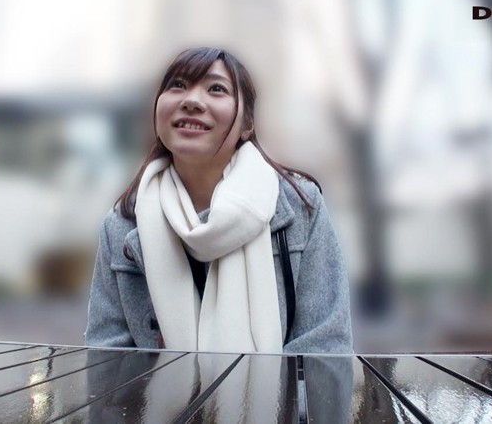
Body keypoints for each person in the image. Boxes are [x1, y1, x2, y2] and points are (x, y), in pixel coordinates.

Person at [85, 47, 352, 353]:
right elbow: (106, 358)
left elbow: (325, 348)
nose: (192, 101)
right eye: (178, 85)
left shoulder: (300, 206)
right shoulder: (121, 225)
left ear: (247, 124)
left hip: (276, 388)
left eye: (216, 89)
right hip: (158, 389)